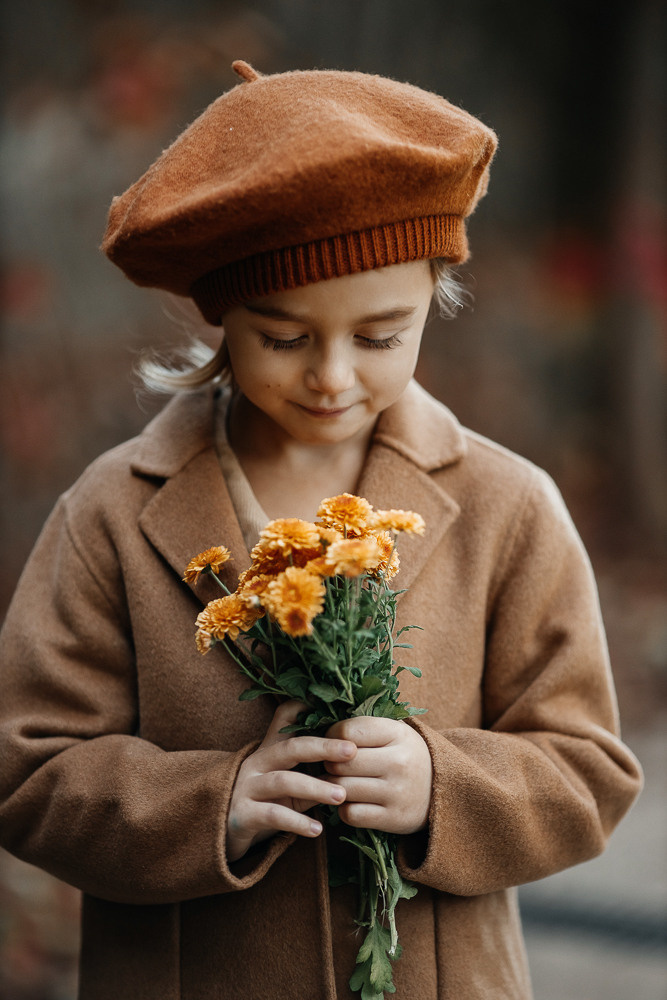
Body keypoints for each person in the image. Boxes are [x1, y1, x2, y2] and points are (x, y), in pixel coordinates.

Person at [0, 61, 642, 1000]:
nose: (332, 377)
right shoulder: (110, 511)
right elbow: (27, 767)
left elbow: (587, 773)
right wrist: (210, 805)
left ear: (434, 300)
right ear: (219, 316)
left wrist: (440, 786)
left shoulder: (508, 505)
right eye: (284, 338)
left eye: (380, 336)